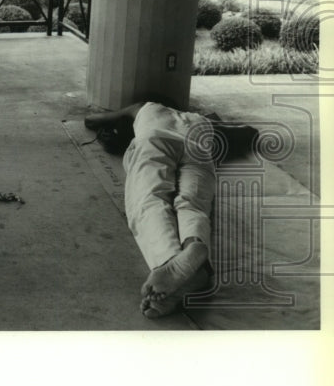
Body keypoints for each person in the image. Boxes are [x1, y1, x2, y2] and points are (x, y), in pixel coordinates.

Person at [84, 100, 258, 318]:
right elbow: (250, 133)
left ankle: (170, 260)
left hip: (153, 141)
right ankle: (194, 251)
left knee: (148, 199)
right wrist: (216, 125)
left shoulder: (144, 107)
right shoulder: (202, 120)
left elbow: (91, 120)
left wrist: (120, 118)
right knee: (192, 204)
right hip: (198, 148)